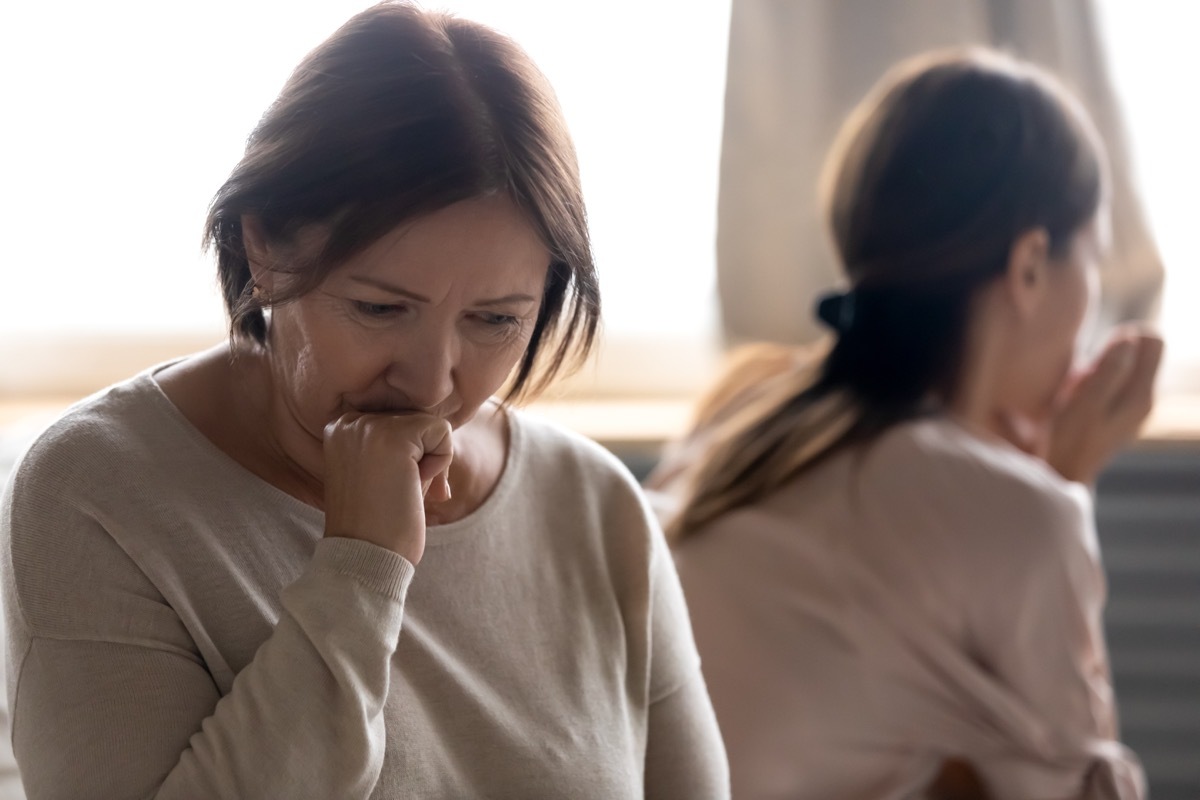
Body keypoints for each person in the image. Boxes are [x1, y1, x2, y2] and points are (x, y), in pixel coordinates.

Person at [0, 4, 729, 798]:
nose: (431, 383)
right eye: (381, 309)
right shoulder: (100, 490)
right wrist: (361, 568)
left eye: (495, 321)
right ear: (265, 248)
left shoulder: (591, 506)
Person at [649, 48, 1161, 800]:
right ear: (1028, 267)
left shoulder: (744, 411)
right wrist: (1064, 484)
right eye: (1093, 254)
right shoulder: (1020, 516)